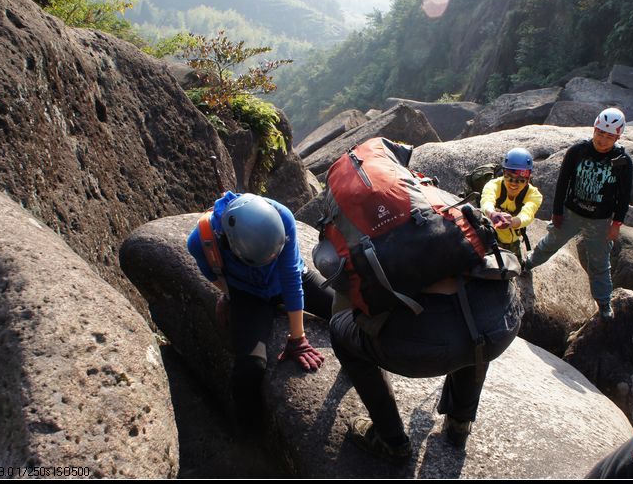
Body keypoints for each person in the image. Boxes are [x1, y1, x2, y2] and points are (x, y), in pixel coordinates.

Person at [329, 275, 523, 462]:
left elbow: (330, 262)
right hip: (501, 319)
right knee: (474, 331)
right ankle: (460, 423)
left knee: (339, 329)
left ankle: (391, 440)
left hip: (431, 342)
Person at [187, 191, 334, 433]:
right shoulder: (200, 242)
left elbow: (290, 277)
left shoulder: (282, 217)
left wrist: (298, 338)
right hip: (249, 294)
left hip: (291, 278)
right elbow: (212, 274)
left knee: (345, 310)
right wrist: (230, 296)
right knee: (250, 368)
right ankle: (247, 431)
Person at [524, 108, 633, 320]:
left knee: (599, 263)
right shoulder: (578, 151)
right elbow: (563, 182)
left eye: (609, 136)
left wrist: (617, 223)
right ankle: (528, 264)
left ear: (618, 136)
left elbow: (624, 194)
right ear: (594, 129)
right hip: (572, 212)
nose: (602, 139)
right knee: (550, 242)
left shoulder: (622, 161)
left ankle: (603, 303)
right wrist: (557, 212)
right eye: (600, 133)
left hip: (600, 220)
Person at [480, 148, 543, 264]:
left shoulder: (534, 195)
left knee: (516, 267)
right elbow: (486, 200)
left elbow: (527, 214)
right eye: (509, 177)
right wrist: (492, 213)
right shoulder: (494, 185)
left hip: (512, 241)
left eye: (520, 180)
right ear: (503, 173)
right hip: (489, 236)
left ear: (528, 179)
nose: (513, 183)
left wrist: (513, 222)